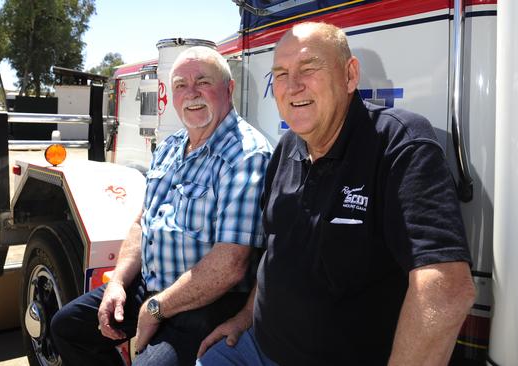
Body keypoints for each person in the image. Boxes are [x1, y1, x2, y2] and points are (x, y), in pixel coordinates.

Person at [197, 22, 476, 366]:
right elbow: (275, 254)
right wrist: (245, 316)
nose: (292, 86)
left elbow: (447, 288)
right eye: (281, 74)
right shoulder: (286, 149)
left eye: (309, 68)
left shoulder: (399, 143)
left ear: (349, 75)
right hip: (255, 346)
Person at [51, 46, 272, 366]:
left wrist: (156, 309)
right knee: (68, 327)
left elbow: (230, 265)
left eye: (203, 82)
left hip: (207, 302)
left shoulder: (246, 154)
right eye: (181, 85)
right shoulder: (170, 147)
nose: (191, 93)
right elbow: (143, 223)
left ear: (229, 88)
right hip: (152, 287)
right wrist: (117, 283)